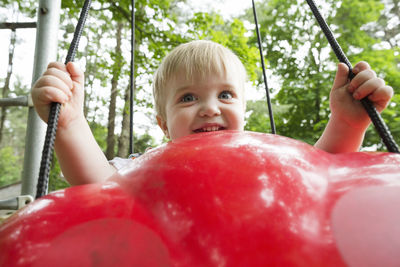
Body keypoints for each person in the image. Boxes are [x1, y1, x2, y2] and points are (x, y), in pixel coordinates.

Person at [31, 40, 393, 186]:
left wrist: (346, 122)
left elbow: (316, 176)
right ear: (163, 124)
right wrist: (71, 124)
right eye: (187, 98)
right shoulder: (149, 166)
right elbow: (99, 185)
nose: (209, 108)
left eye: (225, 95)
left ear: (244, 111)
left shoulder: (263, 156)